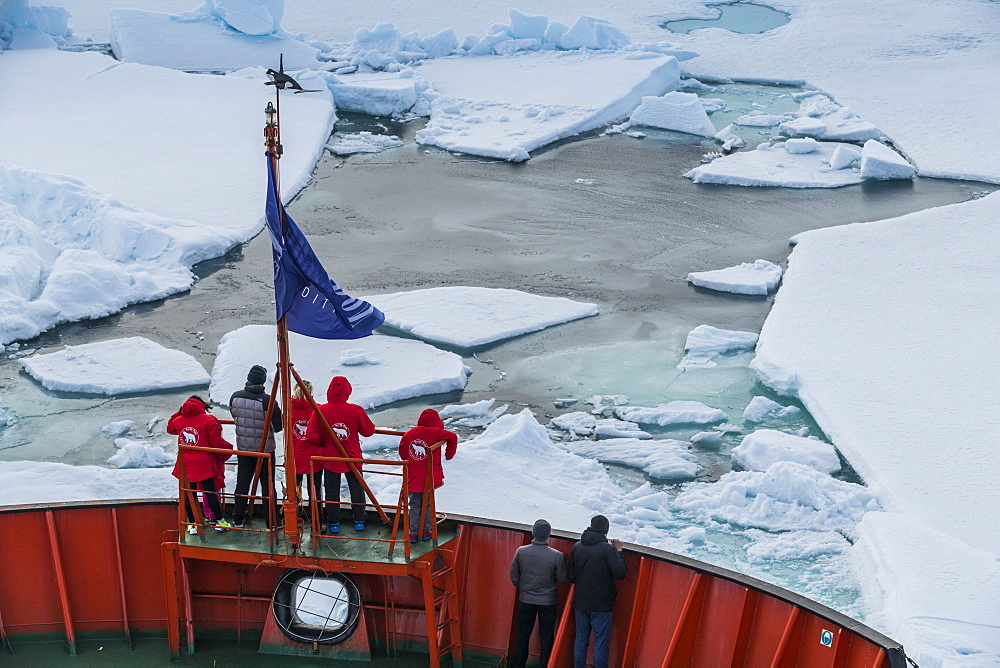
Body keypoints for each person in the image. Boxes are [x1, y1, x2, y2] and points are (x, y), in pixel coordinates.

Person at [304, 376, 375, 533]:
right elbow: (368, 431)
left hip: (331, 457)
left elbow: (312, 436)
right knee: (357, 489)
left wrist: (324, 442)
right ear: (348, 391)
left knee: (331, 490)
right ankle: (359, 520)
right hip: (352, 456)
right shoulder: (356, 410)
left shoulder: (321, 411)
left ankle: (334, 523)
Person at [567, 515, 627, 668]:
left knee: (580, 640)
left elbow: (571, 576)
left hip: (580, 601)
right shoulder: (607, 549)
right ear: (605, 532)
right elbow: (620, 573)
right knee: (600, 643)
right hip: (601, 604)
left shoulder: (577, 547)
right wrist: (619, 551)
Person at [169, 395, 234, 532]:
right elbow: (215, 443)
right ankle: (219, 522)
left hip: (185, 462)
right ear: (202, 406)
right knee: (210, 492)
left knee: (189, 494)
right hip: (203, 463)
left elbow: (170, 428)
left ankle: (192, 524)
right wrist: (227, 451)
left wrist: (180, 412)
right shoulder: (209, 420)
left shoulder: (179, 420)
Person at [229, 364, 282, 528]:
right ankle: (271, 522)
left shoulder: (235, 397)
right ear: (262, 382)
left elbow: (235, 416)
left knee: (242, 483)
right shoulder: (268, 400)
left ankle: (238, 519)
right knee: (268, 487)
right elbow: (278, 427)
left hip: (244, 448)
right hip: (264, 451)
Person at [509, 519, 567, 668]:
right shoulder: (556, 556)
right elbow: (561, 578)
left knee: (523, 634)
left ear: (533, 533)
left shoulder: (521, 551)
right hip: (548, 602)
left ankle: (519, 664)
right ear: (548, 535)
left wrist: (524, 587)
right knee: (546, 637)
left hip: (526, 599)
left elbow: (514, 575)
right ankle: (545, 665)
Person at [397, 409, 457, 542]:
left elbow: (402, 450)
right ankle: (425, 532)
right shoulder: (435, 433)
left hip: (412, 476)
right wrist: (449, 454)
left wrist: (410, 460)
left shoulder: (409, 434)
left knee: (414, 505)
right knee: (428, 505)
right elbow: (452, 437)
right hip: (428, 478)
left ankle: (412, 533)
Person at [289, 379, 323, 521]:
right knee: (314, 490)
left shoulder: (287, 409)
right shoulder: (318, 409)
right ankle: (317, 520)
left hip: (294, 456)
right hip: (313, 456)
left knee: (294, 489)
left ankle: (294, 518)